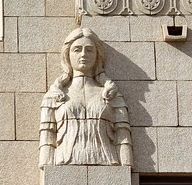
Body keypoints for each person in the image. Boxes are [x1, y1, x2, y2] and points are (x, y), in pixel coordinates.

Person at [40, 28, 132, 167]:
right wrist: (46, 164)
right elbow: (47, 135)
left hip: (107, 160)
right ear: (67, 55)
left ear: (97, 55)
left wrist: (126, 164)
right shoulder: (54, 95)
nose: (83, 54)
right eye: (77, 49)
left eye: (89, 50)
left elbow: (122, 134)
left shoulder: (111, 94)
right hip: (64, 161)